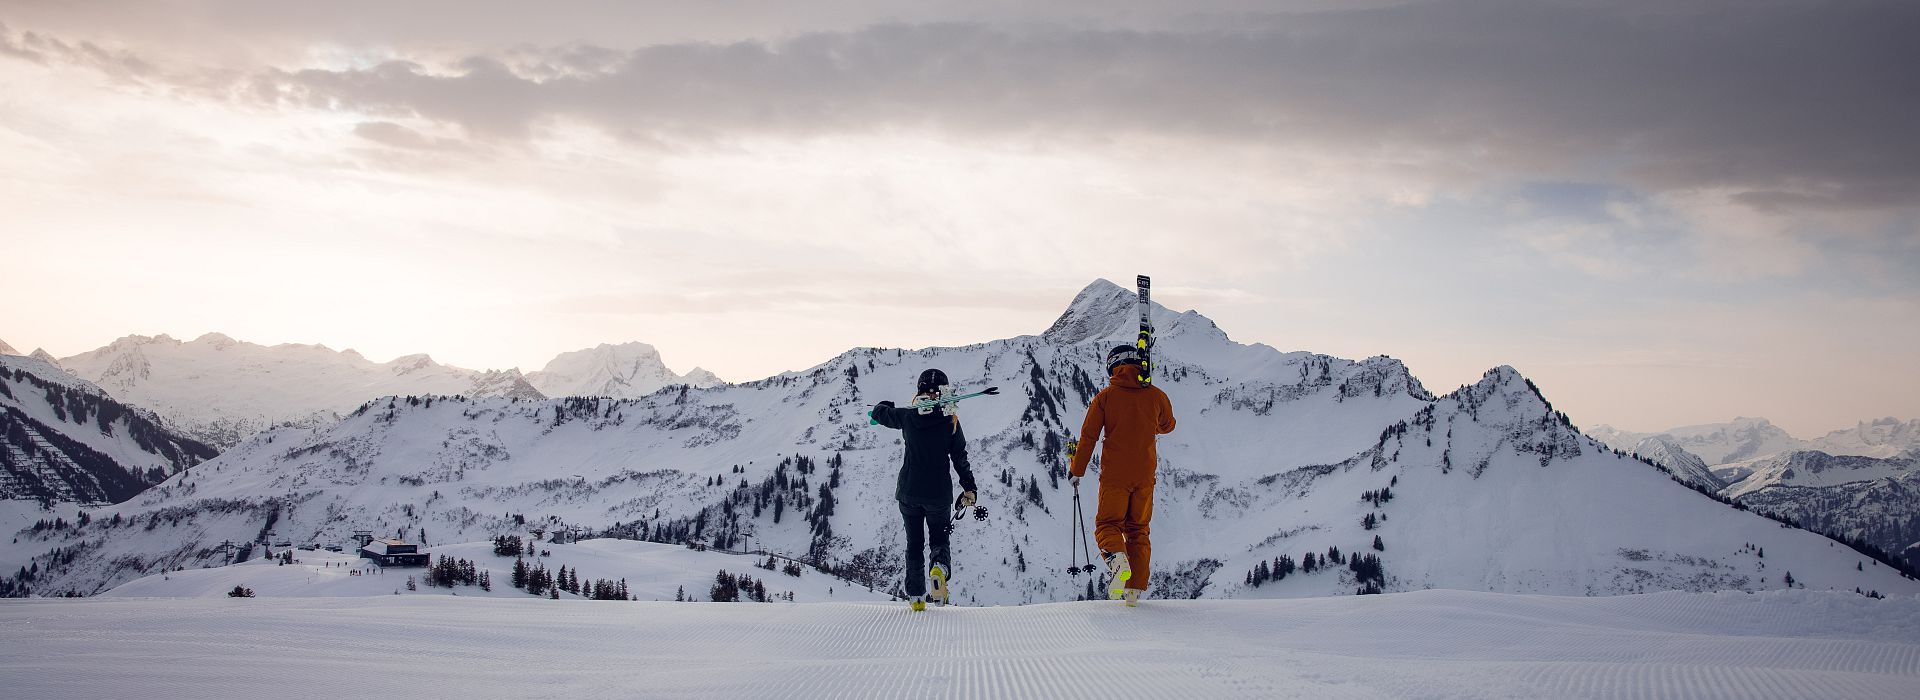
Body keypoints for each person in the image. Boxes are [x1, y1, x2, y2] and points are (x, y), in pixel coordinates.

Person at [1069, 345, 1176, 606]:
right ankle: (1133, 591)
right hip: (1145, 476)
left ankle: (1116, 559)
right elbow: (1168, 425)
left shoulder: (1105, 398)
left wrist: (1076, 470)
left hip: (1115, 475)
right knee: (1138, 530)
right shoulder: (1156, 395)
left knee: (1108, 525)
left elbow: (1089, 437)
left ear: (1113, 366)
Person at [870, 368, 979, 611]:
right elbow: (960, 458)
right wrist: (969, 488)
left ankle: (916, 598)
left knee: (914, 544)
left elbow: (879, 413)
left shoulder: (907, 416)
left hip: (908, 493)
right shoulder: (951, 421)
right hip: (938, 496)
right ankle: (939, 568)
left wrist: (885, 403)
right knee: (939, 540)